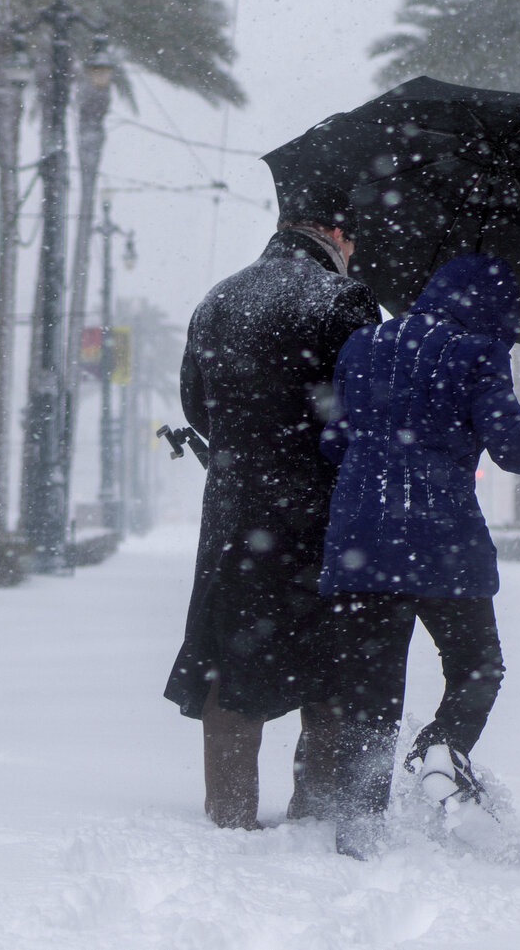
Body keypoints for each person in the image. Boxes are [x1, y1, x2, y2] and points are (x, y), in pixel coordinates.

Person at [317, 252, 520, 857]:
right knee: (477, 665)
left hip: (361, 542)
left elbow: (332, 440)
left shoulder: (361, 344)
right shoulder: (475, 352)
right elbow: (511, 446)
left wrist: (373, 476)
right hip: (442, 541)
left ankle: (357, 829)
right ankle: (440, 752)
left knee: (371, 693)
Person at [164, 185, 381, 829]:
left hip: (236, 515)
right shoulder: (343, 300)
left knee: (235, 668)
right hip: (322, 514)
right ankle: (315, 817)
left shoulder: (218, 299)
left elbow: (195, 407)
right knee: (330, 667)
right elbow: (366, 409)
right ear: (337, 235)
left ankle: (229, 817)